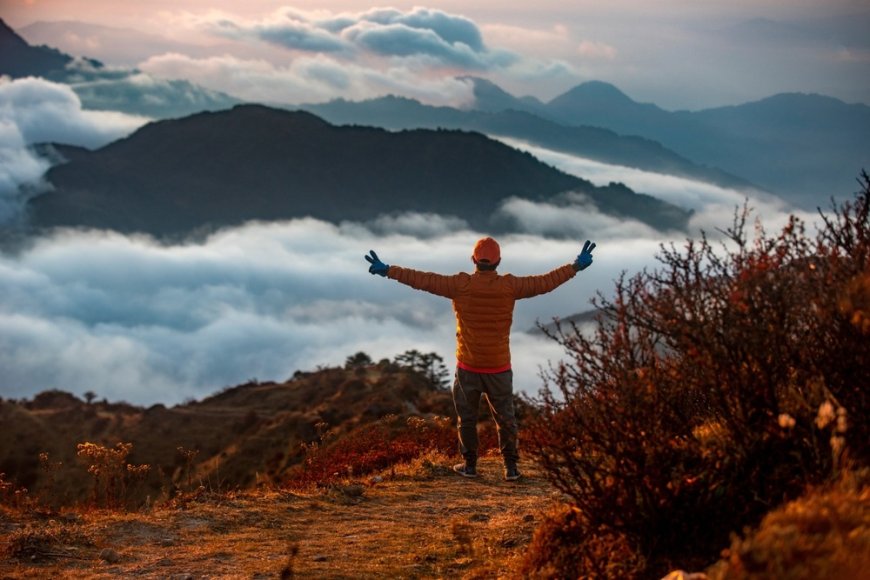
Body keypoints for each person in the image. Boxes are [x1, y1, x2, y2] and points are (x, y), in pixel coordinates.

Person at [365, 237, 596, 481]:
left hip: (468, 366)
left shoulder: (459, 284)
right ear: (499, 262)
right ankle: (511, 468)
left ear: (473, 260)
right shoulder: (510, 286)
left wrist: (388, 271)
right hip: (499, 367)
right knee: (506, 419)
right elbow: (546, 282)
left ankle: (470, 466)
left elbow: (423, 280)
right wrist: (575, 267)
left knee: (467, 418)